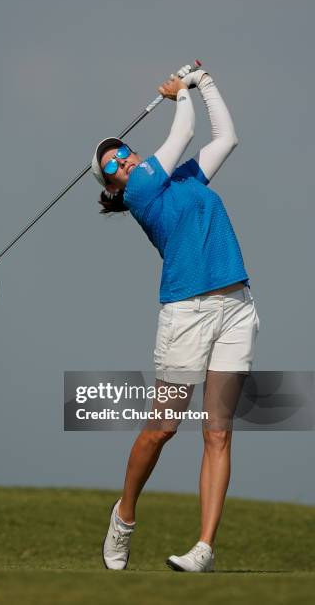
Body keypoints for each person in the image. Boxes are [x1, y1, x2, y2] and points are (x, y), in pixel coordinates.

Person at [90, 65, 260, 572]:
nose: (122, 157)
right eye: (112, 163)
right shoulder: (140, 192)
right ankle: (124, 517)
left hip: (235, 307)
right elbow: (184, 130)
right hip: (186, 313)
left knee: (219, 431)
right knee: (163, 427)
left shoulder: (183, 177)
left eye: (120, 149)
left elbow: (226, 137)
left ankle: (204, 547)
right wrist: (179, 92)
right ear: (115, 185)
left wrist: (204, 84)